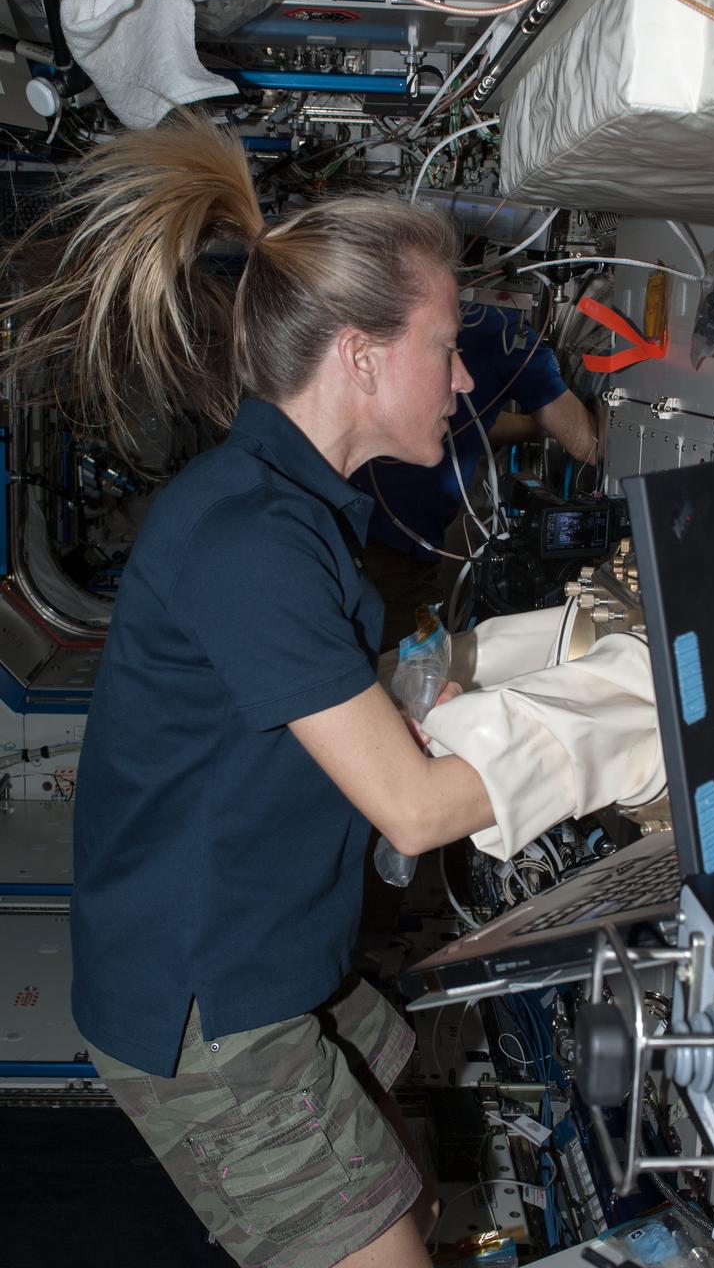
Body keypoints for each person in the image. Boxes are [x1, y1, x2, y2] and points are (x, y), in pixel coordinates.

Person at [0, 112, 502, 1268]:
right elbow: (414, 811)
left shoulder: (283, 506)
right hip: (211, 1010)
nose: (466, 376)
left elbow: (316, 697)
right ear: (364, 356)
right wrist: (626, 736)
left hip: (263, 959)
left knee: (407, 1189)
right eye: (448, 341)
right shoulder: (250, 537)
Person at [352, 303, 599, 649]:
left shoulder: (432, 312)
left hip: (358, 529)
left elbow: (468, 421)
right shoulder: (509, 335)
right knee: (409, 677)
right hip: (396, 555)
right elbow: (588, 444)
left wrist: (538, 425)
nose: (462, 381)